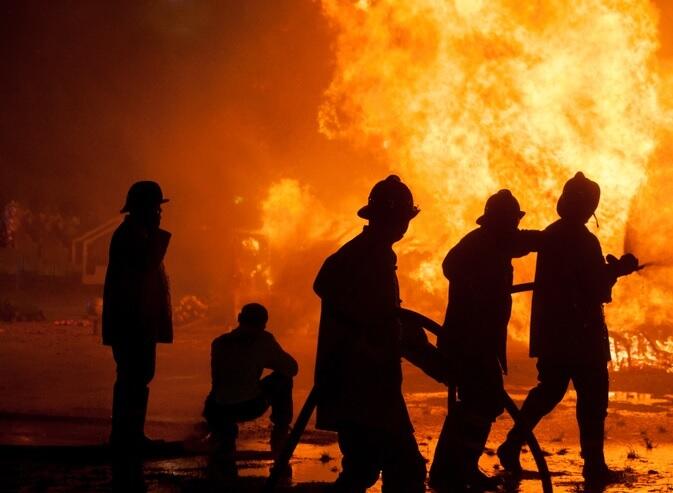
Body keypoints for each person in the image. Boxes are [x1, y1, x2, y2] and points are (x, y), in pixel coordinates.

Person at [497, 172, 640, 486]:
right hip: (583, 335)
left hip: (554, 334)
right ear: (590, 206)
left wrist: (609, 271)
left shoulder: (553, 233)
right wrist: (616, 271)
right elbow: (595, 290)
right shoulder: (584, 240)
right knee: (592, 400)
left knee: (549, 390)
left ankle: (512, 443)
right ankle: (594, 467)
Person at [313, 175, 449, 493]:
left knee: (375, 469)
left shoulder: (377, 253)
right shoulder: (362, 254)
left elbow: (391, 321)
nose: (404, 225)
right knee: (396, 469)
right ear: (386, 218)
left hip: (373, 386)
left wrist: (436, 362)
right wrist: (364, 330)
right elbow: (327, 285)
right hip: (359, 385)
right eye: (401, 218)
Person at [429, 190, 541, 492]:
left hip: (477, 342)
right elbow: (451, 267)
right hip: (470, 342)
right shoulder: (483, 244)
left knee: (477, 404)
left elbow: (527, 242)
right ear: (499, 222)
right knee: (483, 402)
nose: (516, 228)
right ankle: (452, 472)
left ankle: (455, 470)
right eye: (512, 222)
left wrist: (556, 239)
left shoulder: (491, 244)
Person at [103, 180, 172, 450]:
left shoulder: (135, 232)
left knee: (137, 376)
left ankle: (130, 434)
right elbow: (146, 265)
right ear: (143, 208)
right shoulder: (132, 236)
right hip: (132, 322)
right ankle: (125, 437)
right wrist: (156, 235)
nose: (159, 213)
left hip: (136, 321)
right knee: (133, 376)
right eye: (156, 208)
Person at [203, 303, 297, 460]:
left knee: (222, 392)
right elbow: (292, 368)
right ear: (264, 324)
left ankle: (220, 433)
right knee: (283, 380)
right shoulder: (263, 341)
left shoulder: (219, 342)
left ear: (239, 318)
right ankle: (280, 433)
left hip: (216, 409)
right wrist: (270, 361)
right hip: (246, 406)